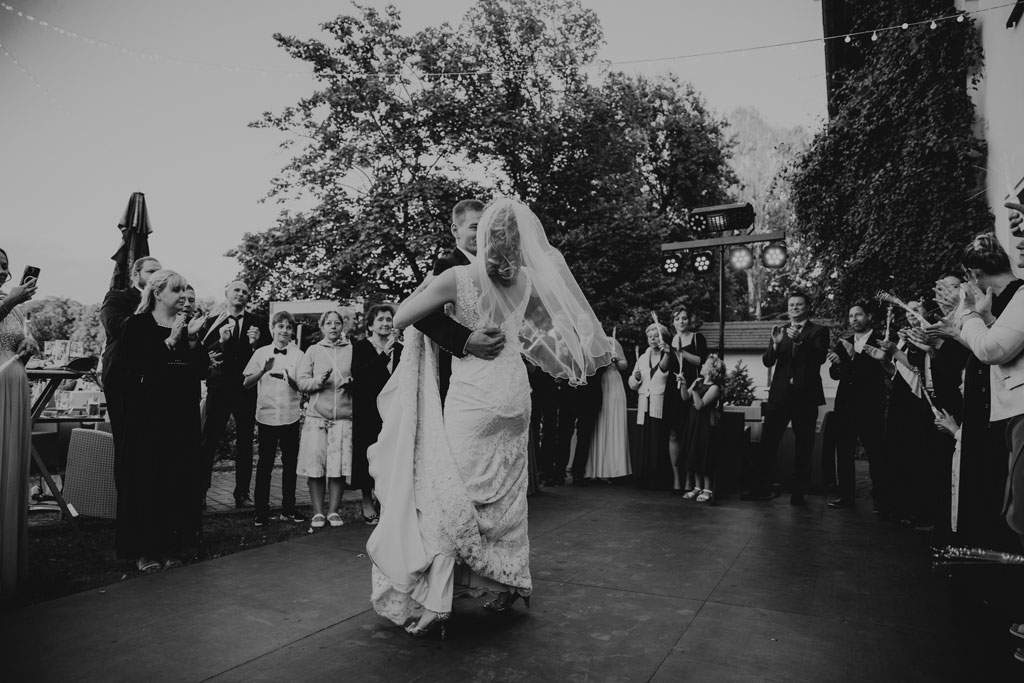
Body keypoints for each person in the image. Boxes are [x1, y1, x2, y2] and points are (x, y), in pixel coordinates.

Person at [367, 198, 611, 638]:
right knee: (507, 498)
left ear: (483, 236)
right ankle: (509, 582)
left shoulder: (456, 276)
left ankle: (439, 599)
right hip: (516, 393)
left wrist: (422, 292)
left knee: (448, 492)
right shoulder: (528, 278)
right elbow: (543, 331)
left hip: (475, 397)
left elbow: (402, 319)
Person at [119, 270, 210, 571]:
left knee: (176, 479)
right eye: (177, 290)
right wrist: (169, 342)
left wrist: (193, 339)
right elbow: (132, 368)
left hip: (181, 415)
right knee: (148, 480)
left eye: (186, 290)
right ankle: (144, 550)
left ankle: (172, 546)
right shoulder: (137, 325)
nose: (184, 295)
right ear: (158, 293)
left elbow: (201, 371)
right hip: (149, 416)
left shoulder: (186, 327)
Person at [413, 199, 506, 403]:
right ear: (456, 230)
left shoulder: (499, 268)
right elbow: (421, 315)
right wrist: (466, 340)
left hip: (505, 371)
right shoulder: (446, 266)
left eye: (486, 227)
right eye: (474, 227)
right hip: (467, 374)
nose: (482, 233)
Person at [741, 291, 829, 505]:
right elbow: (767, 362)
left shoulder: (819, 331)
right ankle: (761, 488)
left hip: (805, 398)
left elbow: (819, 358)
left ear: (807, 307)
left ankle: (799, 492)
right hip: (779, 397)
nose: (794, 308)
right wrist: (775, 345)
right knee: (768, 443)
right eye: (791, 305)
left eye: (799, 305)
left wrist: (800, 342)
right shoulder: (779, 331)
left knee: (804, 445)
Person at [100, 256, 162, 545]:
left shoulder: (167, 302)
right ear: (136, 273)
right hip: (123, 378)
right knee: (127, 449)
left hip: (155, 380)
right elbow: (116, 328)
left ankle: (152, 517)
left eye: (159, 273)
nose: (155, 276)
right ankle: (127, 519)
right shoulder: (118, 297)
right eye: (151, 271)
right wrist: (149, 308)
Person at [198, 280, 269, 508]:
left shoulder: (258, 323)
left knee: (246, 443)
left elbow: (268, 355)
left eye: (245, 292)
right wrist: (221, 341)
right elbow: (202, 356)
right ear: (226, 293)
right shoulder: (211, 322)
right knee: (209, 441)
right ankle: (201, 492)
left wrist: (255, 344)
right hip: (218, 389)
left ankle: (242, 494)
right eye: (237, 290)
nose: (241, 294)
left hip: (246, 390)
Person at [242, 311, 306, 527]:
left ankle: (289, 508)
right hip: (267, 416)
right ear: (272, 328)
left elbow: (304, 387)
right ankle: (261, 510)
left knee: (290, 464)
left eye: (288, 327)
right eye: (280, 326)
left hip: (290, 416)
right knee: (265, 464)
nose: (284, 331)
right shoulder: (260, 353)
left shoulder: (299, 355)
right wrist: (263, 371)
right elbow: (246, 384)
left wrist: (291, 380)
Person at [0, 247, 38, 601]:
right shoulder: (8, 303)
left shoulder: (12, 307)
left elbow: (13, 345)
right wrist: (8, 303)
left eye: (4, 265)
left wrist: (27, 345)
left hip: (14, 386)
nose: (2, 271)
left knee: (9, 472)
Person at [826, 303, 890, 510]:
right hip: (845, 405)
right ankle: (846, 496)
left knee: (876, 453)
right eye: (851, 315)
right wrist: (837, 363)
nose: (854, 319)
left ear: (868, 316)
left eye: (858, 315)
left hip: (871, 406)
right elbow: (835, 375)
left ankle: (881, 498)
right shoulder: (844, 341)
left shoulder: (881, 340)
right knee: (844, 452)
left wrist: (853, 356)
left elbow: (877, 373)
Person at [295, 308, 355, 529]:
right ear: (322, 327)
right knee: (316, 467)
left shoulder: (352, 350)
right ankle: (318, 512)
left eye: (337, 323)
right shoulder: (312, 351)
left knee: (337, 469)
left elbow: (361, 377)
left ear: (342, 326)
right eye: (328, 323)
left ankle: (333, 512)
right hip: (317, 418)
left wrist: (352, 381)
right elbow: (301, 382)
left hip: (343, 418)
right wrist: (318, 380)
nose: (333, 327)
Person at [351, 304, 402, 525]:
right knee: (367, 453)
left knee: (389, 454)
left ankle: (385, 499)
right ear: (371, 325)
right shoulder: (361, 346)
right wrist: (383, 355)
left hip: (392, 410)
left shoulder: (400, 349)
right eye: (380, 319)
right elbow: (360, 375)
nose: (385, 323)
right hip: (367, 409)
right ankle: (366, 499)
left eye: (388, 319)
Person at [663, 305, 708, 494]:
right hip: (673, 390)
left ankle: (690, 480)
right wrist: (668, 351)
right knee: (674, 434)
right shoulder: (670, 339)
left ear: (689, 320)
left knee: (689, 435)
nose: (681, 321)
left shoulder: (698, 338)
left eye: (684, 318)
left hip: (692, 388)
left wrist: (680, 351)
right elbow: (664, 368)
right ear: (673, 322)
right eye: (677, 318)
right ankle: (676, 479)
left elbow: (701, 362)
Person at [629, 323, 674, 490]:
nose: (653, 339)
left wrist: (667, 354)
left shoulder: (668, 355)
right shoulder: (642, 357)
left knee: (658, 440)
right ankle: (643, 478)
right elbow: (632, 384)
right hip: (644, 404)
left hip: (659, 403)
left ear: (662, 338)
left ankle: (659, 479)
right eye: (650, 336)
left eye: (656, 336)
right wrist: (636, 378)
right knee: (644, 440)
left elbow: (664, 373)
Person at [585, 335, 631, 480]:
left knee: (612, 423)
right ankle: (595, 470)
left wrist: (615, 359)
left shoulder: (611, 341)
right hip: (598, 383)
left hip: (613, 382)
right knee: (598, 425)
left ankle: (614, 470)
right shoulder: (588, 342)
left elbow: (624, 365)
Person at [682, 354, 725, 503]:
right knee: (693, 452)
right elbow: (685, 397)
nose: (701, 366)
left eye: (705, 365)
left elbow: (700, 406)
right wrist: (683, 384)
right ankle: (697, 486)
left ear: (711, 370)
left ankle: (707, 489)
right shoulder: (698, 381)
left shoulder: (714, 388)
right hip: (693, 422)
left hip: (705, 425)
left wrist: (694, 390)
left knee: (704, 454)